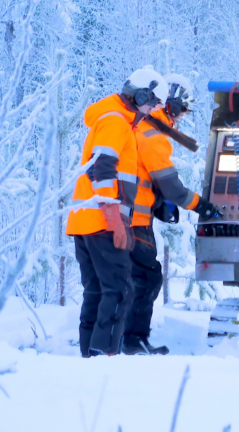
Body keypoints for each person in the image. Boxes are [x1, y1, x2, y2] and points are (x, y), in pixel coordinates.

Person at [66, 67, 169, 357]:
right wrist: (115, 219)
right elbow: (103, 169)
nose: (153, 110)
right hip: (102, 221)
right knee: (120, 290)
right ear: (141, 95)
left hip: (85, 220)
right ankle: (104, 358)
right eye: (153, 103)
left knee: (97, 291)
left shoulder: (112, 119)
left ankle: (91, 356)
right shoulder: (116, 122)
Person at [122, 73, 222, 355]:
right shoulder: (153, 135)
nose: (180, 119)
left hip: (129, 216)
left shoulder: (141, 127)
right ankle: (132, 340)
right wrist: (201, 205)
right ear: (172, 106)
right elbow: (173, 188)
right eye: (182, 111)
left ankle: (121, 338)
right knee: (147, 278)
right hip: (135, 221)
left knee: (128, 279)